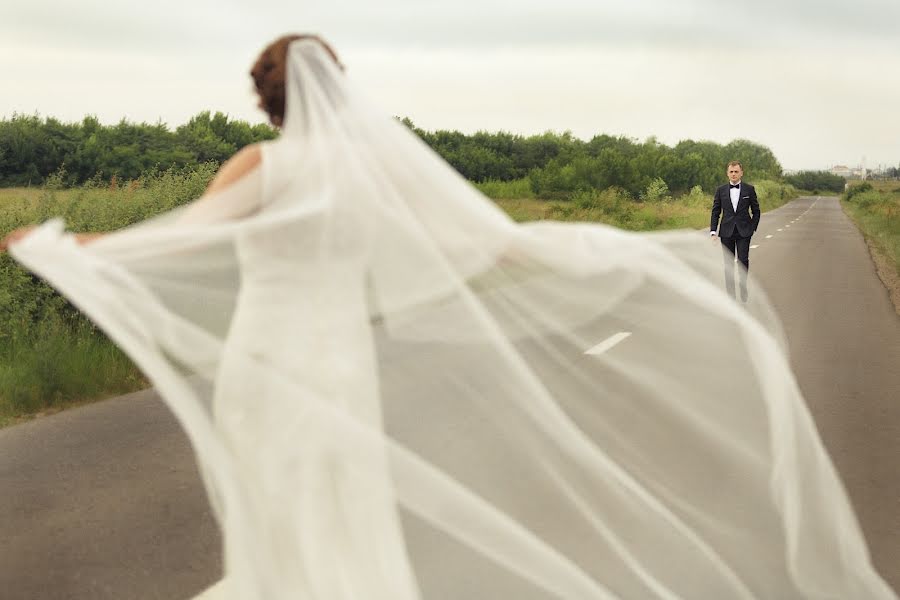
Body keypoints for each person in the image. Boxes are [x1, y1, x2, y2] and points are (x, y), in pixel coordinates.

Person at [2, 36, 895, 599]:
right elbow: (489, 246)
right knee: (344, 507)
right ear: (338, 91)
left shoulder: (258, 169)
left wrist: (62, 249)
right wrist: (597, 246)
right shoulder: (373, 180)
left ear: (266, 103)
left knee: (276, 510)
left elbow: (179, 241)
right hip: (339, 365)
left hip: (265, 364)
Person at [710, 161, 761, 301]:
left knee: (743, 261)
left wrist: (752, 228)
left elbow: (756, 211)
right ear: (727, 173)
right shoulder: (720, 190)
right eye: (731, 172)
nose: (733, 174)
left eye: (736, 171)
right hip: (726, 232)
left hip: (744, 232)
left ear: (741, 173)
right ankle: (731, 296)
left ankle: (743, 289)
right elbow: (715, 212)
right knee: (728, 264)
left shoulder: (749, 189)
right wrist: (713, 231)